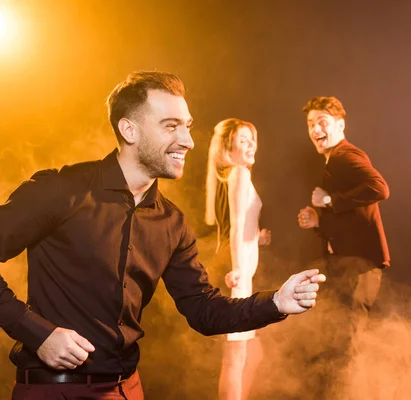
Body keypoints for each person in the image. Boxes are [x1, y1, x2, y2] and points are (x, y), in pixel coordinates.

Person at [0, 71, 325, 400]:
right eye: (171, 126)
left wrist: (276, 302)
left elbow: (203, 310)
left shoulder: (172, 222)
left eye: (187, 125)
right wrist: (36, 333)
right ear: (129, 130)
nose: (188, 140)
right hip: (53, 392)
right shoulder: (61, 189)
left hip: (129, 389)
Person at [297, 96, 389, 393]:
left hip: (359, 265)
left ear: (340, 125)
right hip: (347, 264)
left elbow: (379, 188)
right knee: (342, 343)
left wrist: (328, 200)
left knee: (349, 346)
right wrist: (319, 220)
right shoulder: (333, 159)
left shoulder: (345, 155)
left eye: (322, 122)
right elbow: (352, 218)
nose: (315, 129)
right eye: (311, 124)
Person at [205, 118, 271, 400]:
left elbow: (239, 227)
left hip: (239, 271)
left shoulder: (232, 175)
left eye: (251, 139)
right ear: (227, 149)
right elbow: (234, 224)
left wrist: (257, 237)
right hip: (237, 275)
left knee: (250, 354)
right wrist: (237, 271)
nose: (250, 145)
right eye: (242, 140)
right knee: (235, 359)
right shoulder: (239, 173)